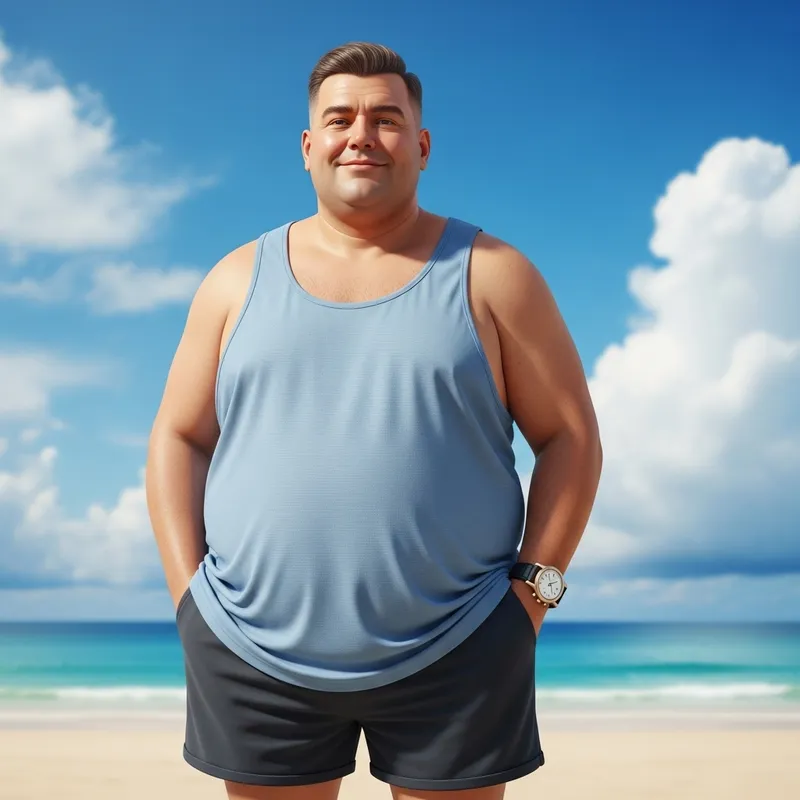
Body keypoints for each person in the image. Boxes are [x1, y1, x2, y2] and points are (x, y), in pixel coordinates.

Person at [146, 41, 602, 800]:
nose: (361, 134)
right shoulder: (233, 280)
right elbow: (179, 435)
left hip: (459, 649)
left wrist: (532, 601)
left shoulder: (493, 273)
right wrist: (188, 596)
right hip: (252, 652)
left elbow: (571, 439)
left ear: (420, 146)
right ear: (308, 146)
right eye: (340, 118)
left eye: (386, 118)